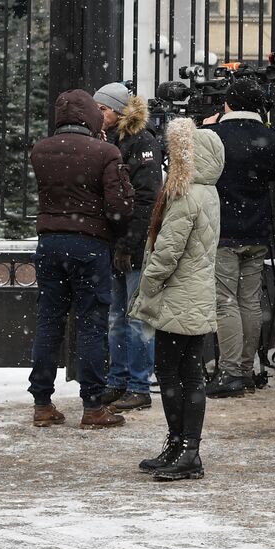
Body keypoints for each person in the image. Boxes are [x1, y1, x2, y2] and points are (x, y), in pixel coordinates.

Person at [28, 90, 134, 430]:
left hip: (49, 243)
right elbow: (119, 209)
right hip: (89, 245)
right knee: (91, 324)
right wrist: (111, 233)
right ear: (90, 116)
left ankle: (42, 403)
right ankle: (92, 406)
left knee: (49, 322)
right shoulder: (106, 152)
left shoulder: (40, 150)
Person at [130, 118, 224, 480]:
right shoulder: (209, 192)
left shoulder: (187, 195)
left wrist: (147, 284)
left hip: (178, 296)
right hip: (196, 294)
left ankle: (185, 449)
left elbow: (167, 251)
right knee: (190, 372)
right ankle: (182, 446)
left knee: (174, 372)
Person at [202, 77, 275, 398]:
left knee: (225, 303)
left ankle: (230, 371)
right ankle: (246, 369)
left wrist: (202, 127)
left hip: (223, 231)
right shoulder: (272, 138)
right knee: (250, 301)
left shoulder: (213, 136)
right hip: (258, 229)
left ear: (228, 103)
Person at [93, 82, 163, 412]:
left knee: (136, 318)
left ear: (119, 111)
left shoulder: (143, 141)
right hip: (113, 245)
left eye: (103, 109)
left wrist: (130, 244)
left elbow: (146, 199)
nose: (97, 114)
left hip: (133, 247)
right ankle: (118, 380)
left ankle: (138, 384)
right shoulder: (105, 140)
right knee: (116, 317)